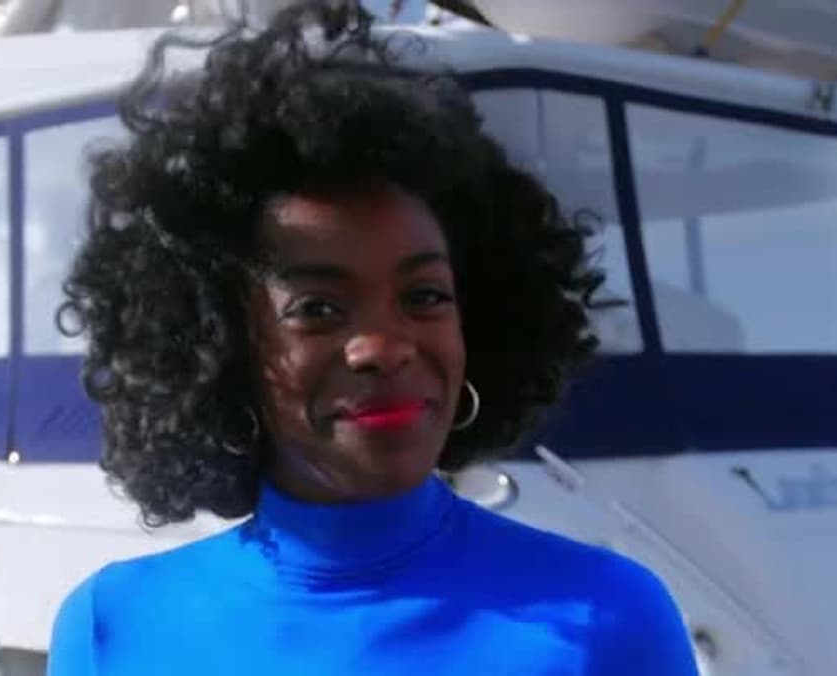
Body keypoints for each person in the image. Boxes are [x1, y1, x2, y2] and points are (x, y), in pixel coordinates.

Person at [49, 2, 700, 673]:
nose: (384, 347)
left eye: (425, 297)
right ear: (220, 342)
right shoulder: (113, 625)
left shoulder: (608, 619)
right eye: (318, 309)